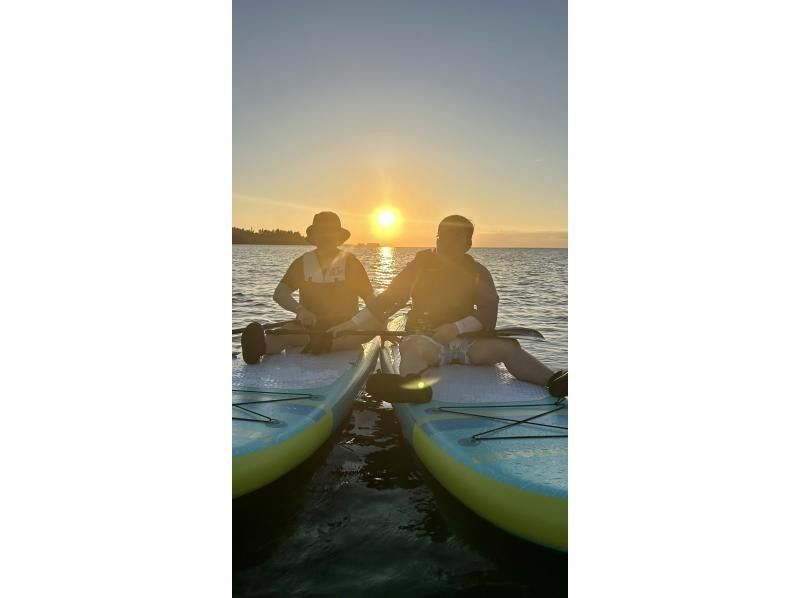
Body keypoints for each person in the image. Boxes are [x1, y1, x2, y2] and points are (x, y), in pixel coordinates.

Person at [328, 215, 568, 399]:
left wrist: (456, 327)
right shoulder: (419, 267)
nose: (446, 243)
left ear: (468, 243)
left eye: (455, 238)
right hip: (427, 342)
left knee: (509, 347)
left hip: (467, 344)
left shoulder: (477, 272)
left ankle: (554, 381)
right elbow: (389, 300)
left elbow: (488, 310)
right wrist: (351, 325)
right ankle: (413, 388)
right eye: (442, 237)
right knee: (411, 347)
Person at [240, 211, 383, 364]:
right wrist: (300, 311)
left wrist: (378, 323)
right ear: (314, 236)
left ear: (338, 237)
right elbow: (279, 293)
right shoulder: (302, 263)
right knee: (284, 334)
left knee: (373, 325)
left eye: (330, 231)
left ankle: (326, 344)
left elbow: (372, 301)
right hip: (308, 328)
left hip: (345, 329)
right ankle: (259, 347)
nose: (326, 236)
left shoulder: (351, 263)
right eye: (321, 231)